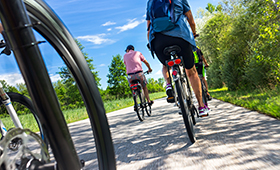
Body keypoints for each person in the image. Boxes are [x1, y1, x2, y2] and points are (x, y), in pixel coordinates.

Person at [146, 0, 209, 116]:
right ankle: (201, 106)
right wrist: (193, 34)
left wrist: (151, 44)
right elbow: (191, 19)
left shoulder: (151, 1)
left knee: (166, 64)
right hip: (180, 37)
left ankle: (169, 83)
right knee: (191, 71)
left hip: (158, 41)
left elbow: (149, 27)